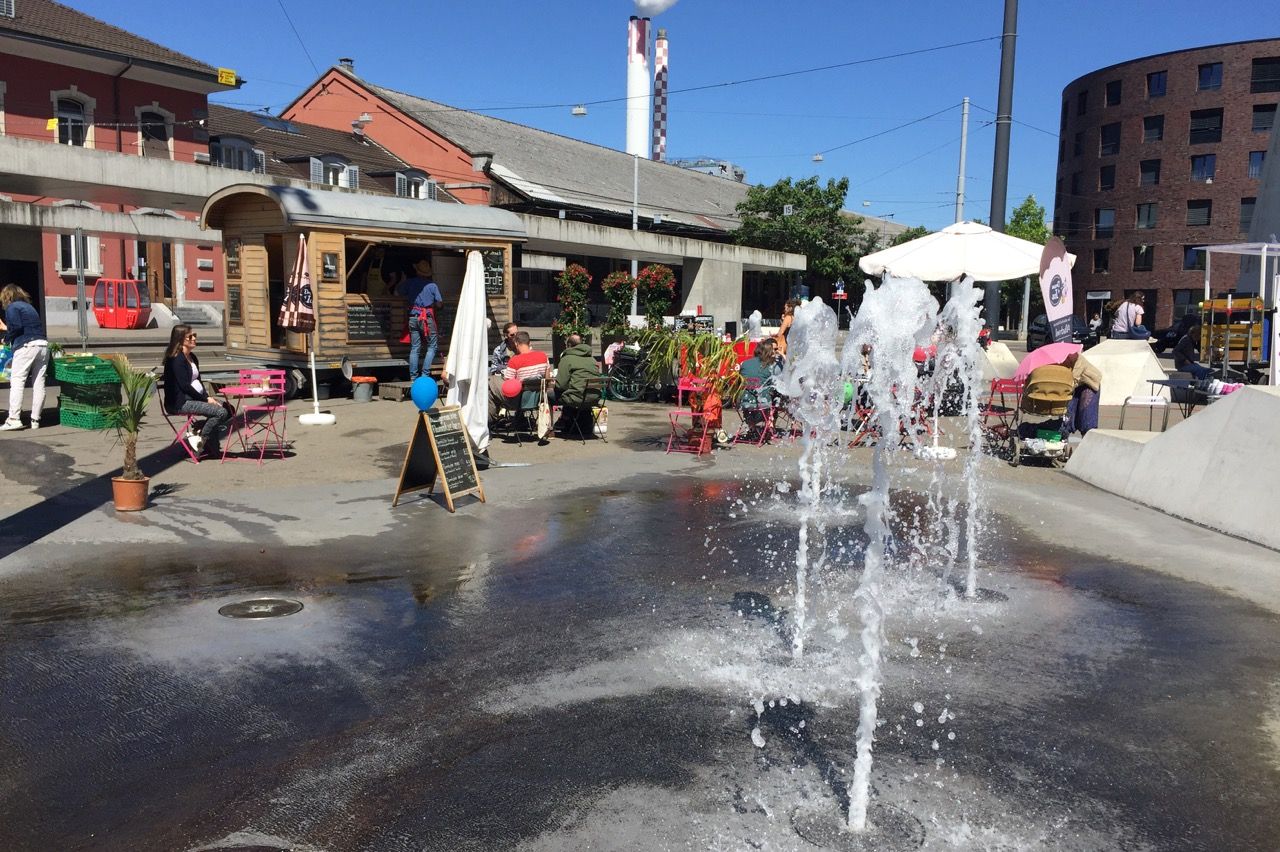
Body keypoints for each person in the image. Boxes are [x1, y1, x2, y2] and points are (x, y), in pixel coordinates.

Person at [162, 324, 232, 457]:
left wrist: (207, 396)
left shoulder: (192, 357)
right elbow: (185, 386)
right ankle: (199, 444)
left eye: (195, 336)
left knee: (229, 409)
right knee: (220, 412)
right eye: (190, 336)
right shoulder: (176, 360)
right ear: (181, 340)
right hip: (180, 403)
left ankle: (200, 429)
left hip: (195, 398)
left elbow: (198, 381)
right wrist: (206, 399)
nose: (194, 338)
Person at [1, 284, 50, 430]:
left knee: (17, 381)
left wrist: (6, 337)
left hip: (26, 346)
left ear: (7, 296)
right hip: (42, 345)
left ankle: (14, 419)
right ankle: (36, 420)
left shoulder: (12, 307)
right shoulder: (29, 308)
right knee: (39, 382)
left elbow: (16, 327)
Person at [397, 257, 443, 380]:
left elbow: (398, 292)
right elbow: (439, 304)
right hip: (427, 318)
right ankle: (425, 375)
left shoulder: (410, 282)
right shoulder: (432, 285)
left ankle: (413, 377)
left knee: (415, 347)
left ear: (417, 271)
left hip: (413, 317)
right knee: (432, 346)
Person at [1173, 322, 1244, 395]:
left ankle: (1209, 379)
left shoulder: (1192, 340)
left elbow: (1200, 349)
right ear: (1193, 333)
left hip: (1190, 364)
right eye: (1198, 335)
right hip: (1183, 365)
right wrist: (1185, 360)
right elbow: (1176, 351)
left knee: (1207, 370)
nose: (1199, 337)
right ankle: (1202, 386)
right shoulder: (1186, 340)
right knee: (1199, 370)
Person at [555, 333, 599, 434]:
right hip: (594, 397)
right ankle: (568, 420)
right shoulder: (592, 359)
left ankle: (559, 422)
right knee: (573, 392)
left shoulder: (567, 359)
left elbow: (560, 385)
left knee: (549, 395)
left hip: (576, 398)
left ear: (569, 345)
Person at [737, 338, 781, 439]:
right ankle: (770, 425)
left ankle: (752, 427)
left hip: (743, 402)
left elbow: (740, 382)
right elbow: (782, 379)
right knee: (777, 396)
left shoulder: (744, 363)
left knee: (749, 393)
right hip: (762, 403)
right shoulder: (771, 366)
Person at [1061, 351, 1102, 435]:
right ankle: (1066, 433)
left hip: (1090, 385)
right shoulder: (1066, 362)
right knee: (1069, 413)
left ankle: (1087, 437)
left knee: (1086, 415)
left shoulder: (1079, 361)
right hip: (1078, 386)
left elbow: (1073, 379)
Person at [487, 321, 519, 417]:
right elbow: (493, 368)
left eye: (517, 333)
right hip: (504, 382)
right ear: (506, 336)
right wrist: (502, 369)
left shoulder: (522, 347)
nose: (516, 336)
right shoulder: (499, 350)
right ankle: (491, 418)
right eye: (513, 335)